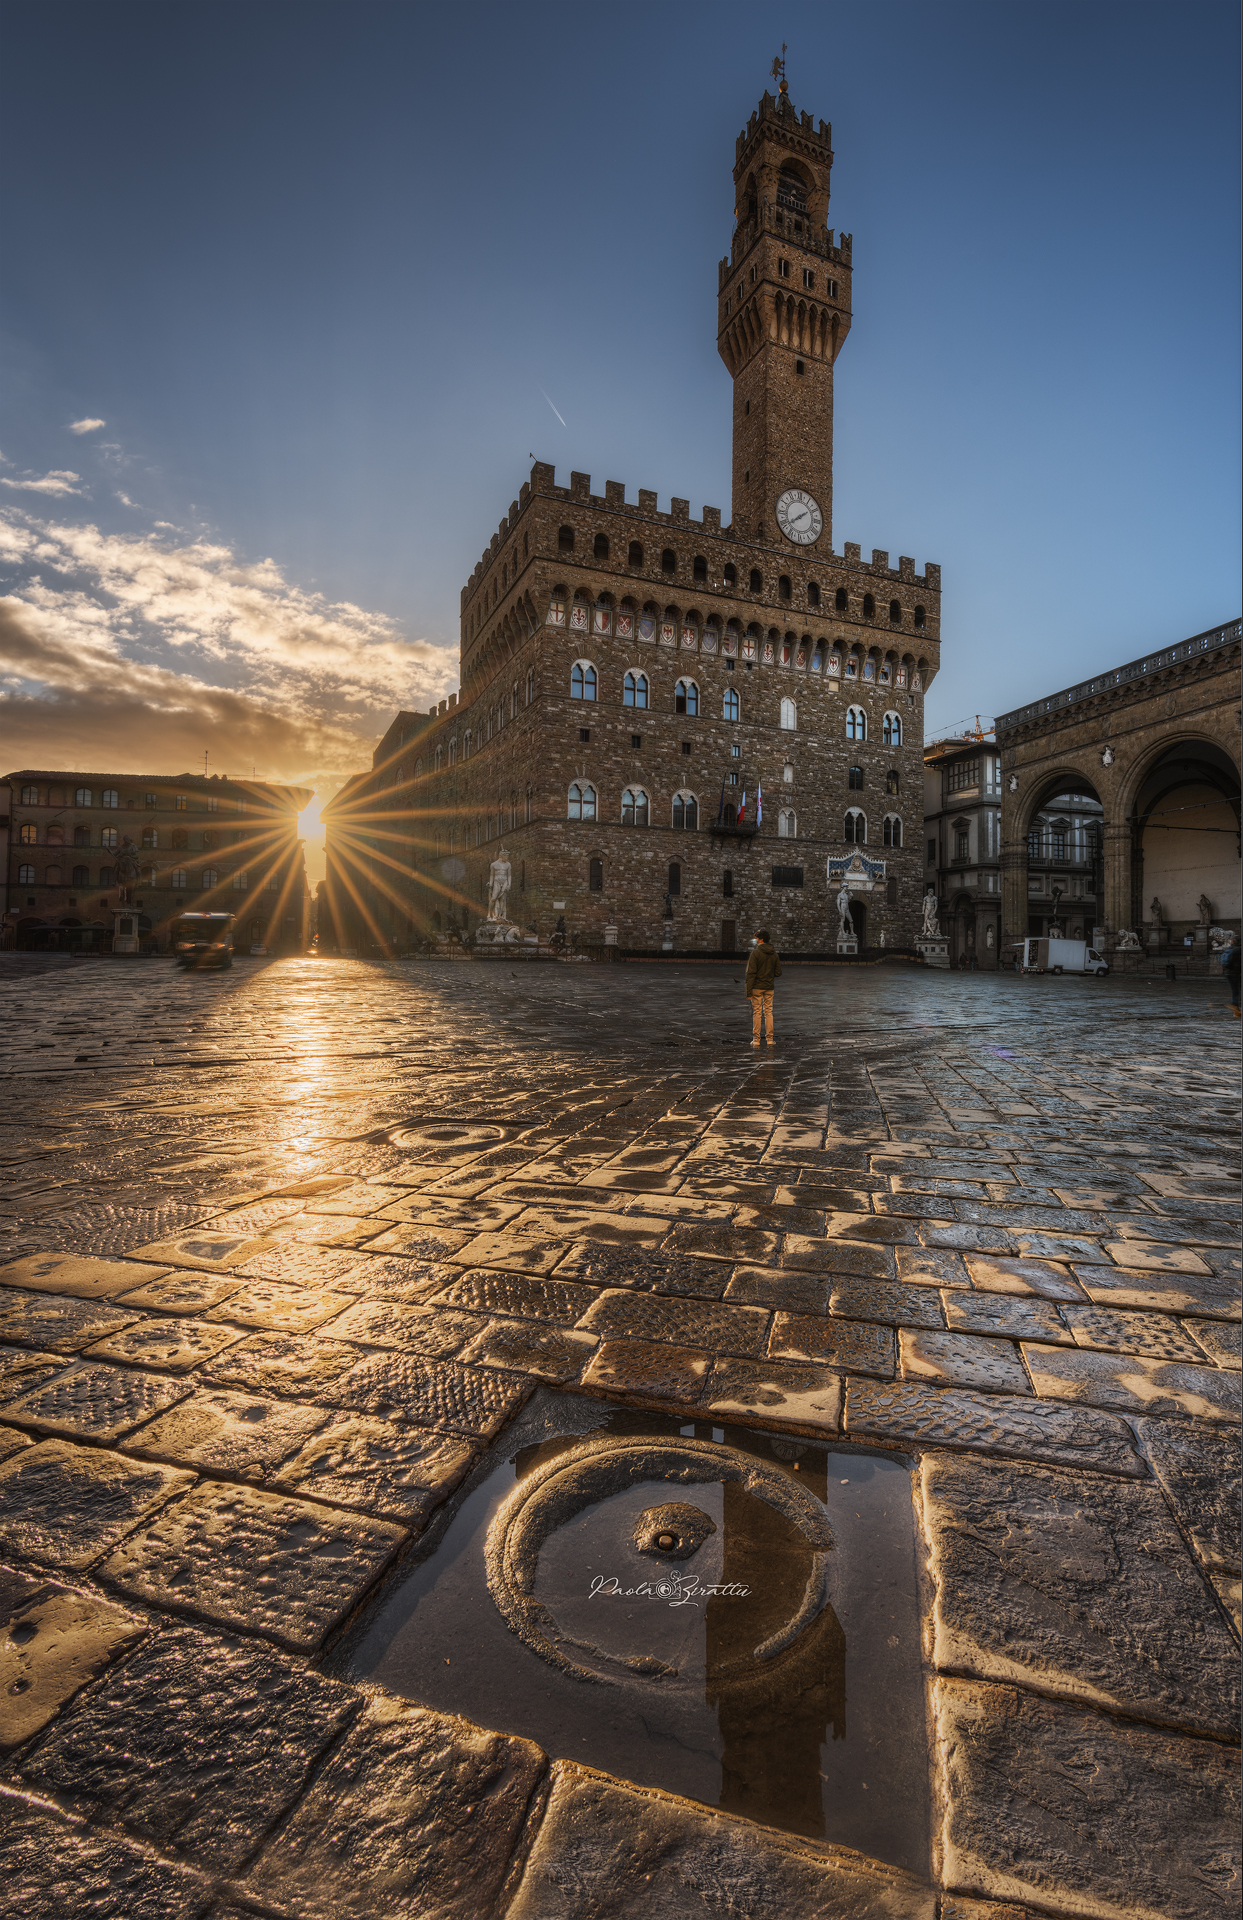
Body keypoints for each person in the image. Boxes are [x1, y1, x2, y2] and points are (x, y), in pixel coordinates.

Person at [745, 928, 782, 1047]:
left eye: (756, 938)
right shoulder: (774, 954)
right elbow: (778, 972)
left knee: (757, 1013)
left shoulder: (755, 953)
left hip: (756, 987)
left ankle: (756, 1040)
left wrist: (748, 991)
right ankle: (770, 1039)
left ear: (761, 939)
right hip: (769, 987)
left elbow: (750, 973)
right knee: (768, 1012)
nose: (755, 940)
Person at [1225, 939, 1240, 1019]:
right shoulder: (1238, 951)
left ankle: (1236, 1011)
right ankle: (1234, 1006)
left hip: (1228, 973)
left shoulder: (1229, 949)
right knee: (1237, 991)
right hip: (1236, 973)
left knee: (1235, 991)